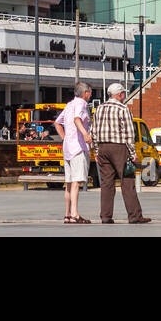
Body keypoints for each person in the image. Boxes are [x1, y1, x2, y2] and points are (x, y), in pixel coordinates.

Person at [90, 82, 149, 224]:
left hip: (103, 148)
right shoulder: (123, 109)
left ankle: (106, 216)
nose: (124, 96)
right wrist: (133, 152)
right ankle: (134, 215)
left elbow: (94, 131)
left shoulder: (99, 109)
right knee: (127, 181)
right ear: (120, 94)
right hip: (119, 148)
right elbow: (129, 132)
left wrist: (97, 151)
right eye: (123, 94)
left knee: (106, 183)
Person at [54, 81, 93, 224]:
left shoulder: (69, 105)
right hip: (77, 147)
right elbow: (77, 119)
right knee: (76, 181)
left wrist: (65, 138)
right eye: (90, 92)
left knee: (69, 183)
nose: (90, 95)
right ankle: (75, 213)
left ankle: (67, 214)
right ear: (85, 93)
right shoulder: (81, 104)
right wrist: (85, 134)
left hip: (68, 148)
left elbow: (57, 123)